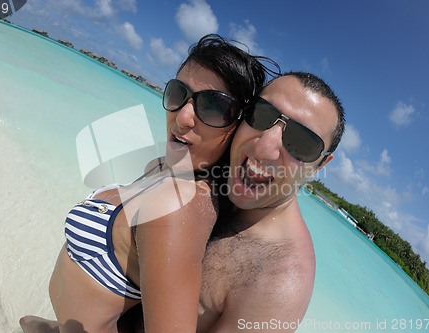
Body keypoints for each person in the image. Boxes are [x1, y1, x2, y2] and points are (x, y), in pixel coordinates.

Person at [19, 34, 276, 333]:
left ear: (239, 128)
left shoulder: (180, 207)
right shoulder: (163, 169)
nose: (183, 117)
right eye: (179, 93)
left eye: (213, 107)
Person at [118, 71, 345, 332]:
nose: (264, 147)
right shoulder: (203, 174)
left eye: (302, 142)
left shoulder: (277, 280)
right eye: (262, 114)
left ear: (319, 165)